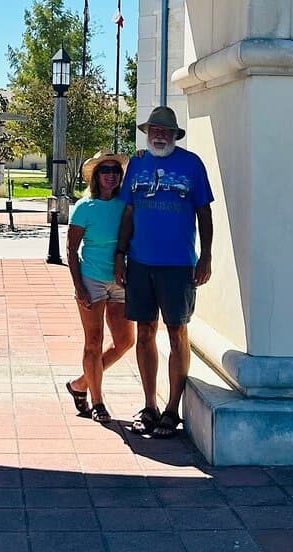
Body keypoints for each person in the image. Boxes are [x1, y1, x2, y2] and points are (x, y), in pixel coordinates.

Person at [114, 106, 213, 439]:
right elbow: (128, 211)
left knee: (177, 333)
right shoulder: (138, 163)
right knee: (144, 333)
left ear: (174, 135)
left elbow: (204, 212)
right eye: (154, 130)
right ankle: (149, 405)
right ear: (147, 133)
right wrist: (120, 254)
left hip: (179, 264)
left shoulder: (191, 164)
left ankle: (172, 409)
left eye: (165, 131)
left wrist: (206, 257)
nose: (159, 135)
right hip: (140, 263)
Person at [64, 152, 135, 422]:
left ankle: (81, 383)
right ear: (96, 175)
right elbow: (71, 249)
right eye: (104, 170)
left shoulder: (125, 205)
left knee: (125, 341)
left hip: (119, 280)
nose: (110, 174)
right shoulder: (85, 207)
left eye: (115, 170)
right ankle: (97, 401)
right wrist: (78, 286)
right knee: (94, 342)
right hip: (91, 279)